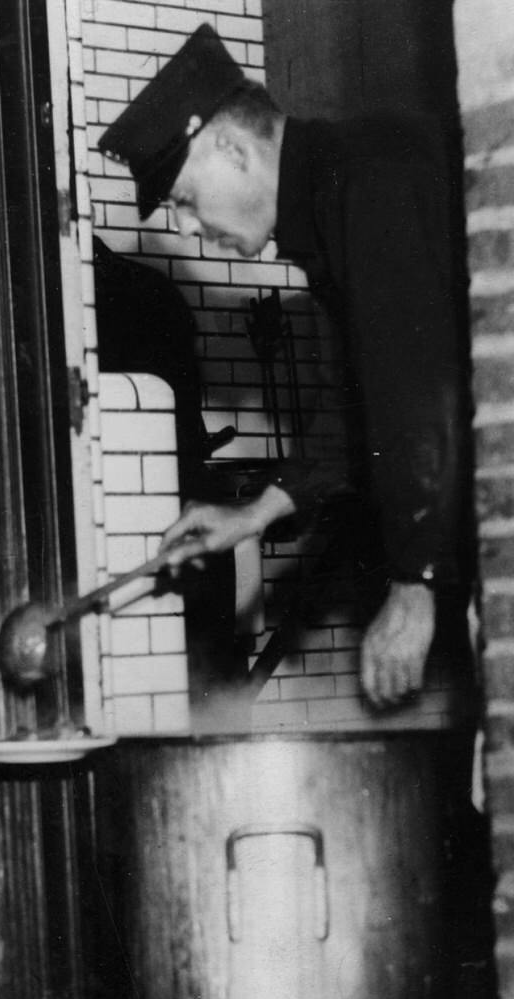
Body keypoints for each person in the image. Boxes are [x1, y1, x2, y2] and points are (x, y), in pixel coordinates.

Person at [97, 25, 469, 709]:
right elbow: (353, 411)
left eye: (182, 199)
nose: (185, 228)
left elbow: (416, 385)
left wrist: (415, 580)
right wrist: (254, 514)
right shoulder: (334, 193)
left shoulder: (367, 180)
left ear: (232, 149)